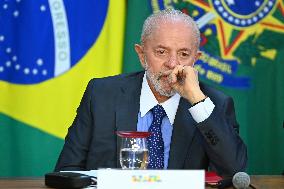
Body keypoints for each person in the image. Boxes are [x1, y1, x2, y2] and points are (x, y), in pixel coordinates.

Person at [55, 9, 247, 176]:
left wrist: (196, 100)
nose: (172, 64)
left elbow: (234, 170)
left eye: (183, 54)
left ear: (195, 59)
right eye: (161, 52)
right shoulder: (102, 95)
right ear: (141, 54)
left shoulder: (212, 104)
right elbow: (67, 171)